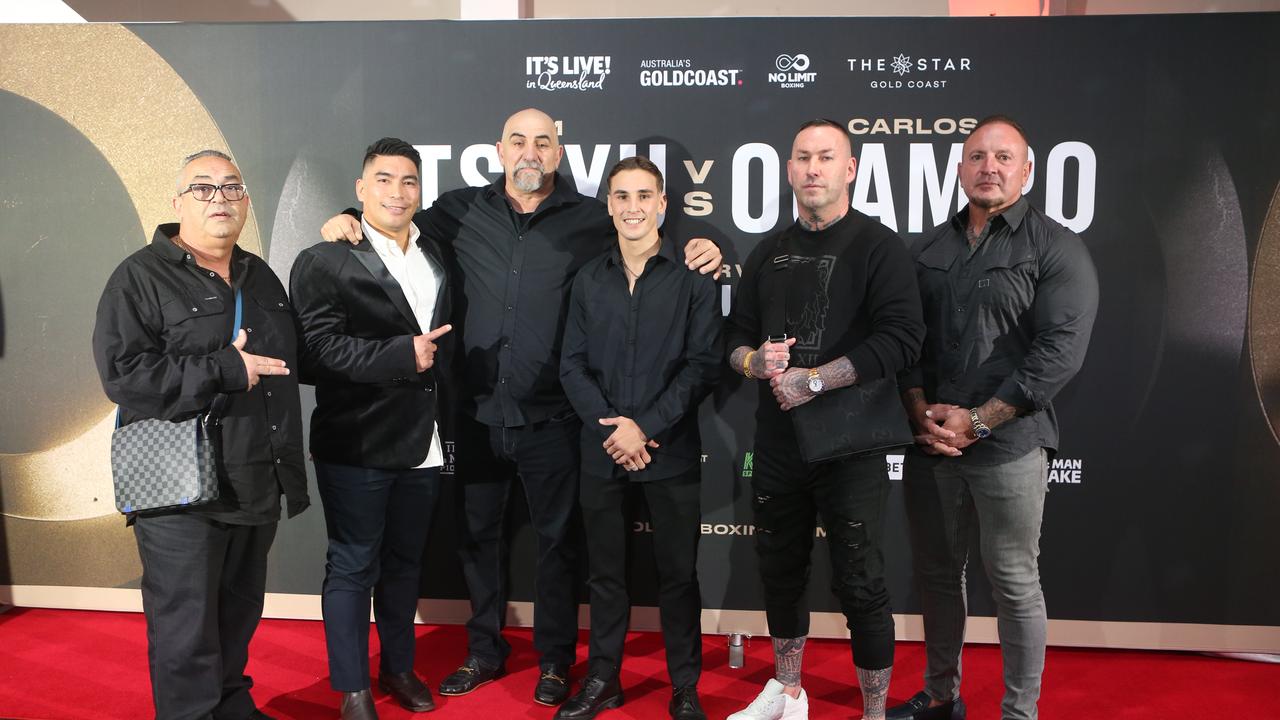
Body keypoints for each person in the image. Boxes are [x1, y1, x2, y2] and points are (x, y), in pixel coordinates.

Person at [319, 108, 721, 707]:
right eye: (518, 141)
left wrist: (703, 246)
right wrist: (346, 219)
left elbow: (644, 239)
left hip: (557, 417)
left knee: (560, 546)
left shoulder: (592, 218)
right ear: (500, 151)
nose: (530, 152)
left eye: (543, 142)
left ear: (559, 154)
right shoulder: (455, 211)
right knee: (478, 540)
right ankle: (485, 650)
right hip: (475, 414)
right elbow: (389, 217)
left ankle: (556, 662)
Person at [887, 115, 1099, 720]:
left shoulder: (1056, 248)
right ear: (959, 169)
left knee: (1012, 581)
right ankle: (940, 694)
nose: (990, 167)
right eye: (977, 156)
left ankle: (1018, 712)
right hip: (931, 444)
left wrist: (980, 421)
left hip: (1009, 446)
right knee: (935, 575)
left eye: (1004, 157)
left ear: (1027, 171)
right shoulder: (925, 248)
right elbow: (905, 342)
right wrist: (919, 410)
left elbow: (1059, 354)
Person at [92, 150, 310, 720]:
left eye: (231, 188)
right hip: (179, 491)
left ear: (245, 202)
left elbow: (296, 360)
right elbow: (126, 377)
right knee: (185, 630)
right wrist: (224, 368)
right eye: (204, 188)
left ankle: (232, 707)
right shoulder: (138, 277)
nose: (220, 198)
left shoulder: (259, 275)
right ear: (178, 202)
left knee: (237, 617)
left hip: (255, 480)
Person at [723, 119, 925, 720]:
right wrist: (755, 361)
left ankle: (874, 712)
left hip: (852, 447)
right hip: (780, 447)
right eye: (803, 158)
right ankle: (787, 694)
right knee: (779, 570)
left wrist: (814, 380)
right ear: (789, 171)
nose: (813, 168)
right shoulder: (768, 251)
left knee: (861, 582)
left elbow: (904, 340)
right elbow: (730, 340)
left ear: (850, 169)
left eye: (826, 157)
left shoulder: (878, 246)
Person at [290, 138, 453, 720]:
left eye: (409, 181)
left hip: (425, 443)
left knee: (406, 565)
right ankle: (353, 688)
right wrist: (399, 356)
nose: (397, 191)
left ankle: (399, 668)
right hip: (356, 441)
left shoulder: (436, 252)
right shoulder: (324, 258)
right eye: (383, 180)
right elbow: (315, 353)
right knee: (354, 563)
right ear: (360, 191)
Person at [555, 157, 721, 720]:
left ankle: (684, 686)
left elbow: (702, 366)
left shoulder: (694, 278)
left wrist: (643, 427)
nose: (632, 207)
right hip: (602, 452)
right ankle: (603, 679)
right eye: (621, 196)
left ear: (663, 204)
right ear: (608, 204)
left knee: (678, 575)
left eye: (643, 196)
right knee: (604, 575)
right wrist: (613, 429)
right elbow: (570, 365)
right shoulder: (588, 278)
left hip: (669, 452)